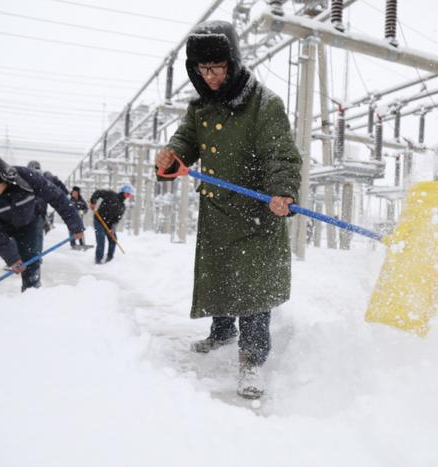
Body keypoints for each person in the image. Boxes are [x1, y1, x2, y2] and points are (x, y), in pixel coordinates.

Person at [155, 20, 301, 399]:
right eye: (203, 70)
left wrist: (282, 191)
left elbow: (280, 153)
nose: (211, 77)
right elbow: (186, 140)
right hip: (218, 212)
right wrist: (172, 156)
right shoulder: (200, 107)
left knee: (253, 291)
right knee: (220, 275)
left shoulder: (263, 104)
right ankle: (221, 331)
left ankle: (252, 361)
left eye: (217, 68)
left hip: (257, 213)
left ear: (233, 63)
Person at [0, 153, 84, 292]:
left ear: (4, 176)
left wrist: (76, 225)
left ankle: (31, 294)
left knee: (31, 262)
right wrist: (12, 259)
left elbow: (57, 198)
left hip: (29, 223)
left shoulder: (26, 177)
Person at [89, 185, 133, 264]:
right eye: (127, 194)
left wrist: (113, 229)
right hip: (99, 220)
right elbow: (98, 193)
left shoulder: (122, 206)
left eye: (129, 195)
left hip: (108, 224)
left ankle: (109, 259)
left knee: (113, 239)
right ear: (122, 192)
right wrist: (93, 202)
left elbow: (116, 219)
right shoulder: (111, 195)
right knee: (101, 240)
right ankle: (98, 260)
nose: (127, 197)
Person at [27, 160, 68, 232]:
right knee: (36, 237)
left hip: (27, 215)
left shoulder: (24, 177)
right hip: (38, 214)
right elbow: (63, 191)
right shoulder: (46, 178)